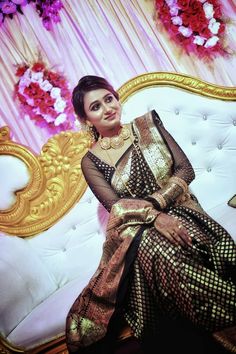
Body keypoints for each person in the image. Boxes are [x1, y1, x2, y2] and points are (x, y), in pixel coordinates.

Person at [66, 75, 236, 354]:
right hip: (137, 229)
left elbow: (185, 170)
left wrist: (158, 205)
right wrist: (156, 217)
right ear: (86, 120)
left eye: (109, 99)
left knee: (178, 244)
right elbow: (116, 207)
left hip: (182, 209)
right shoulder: (90, 161)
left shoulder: (148, 127)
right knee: (158, 250)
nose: (107, 108)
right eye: (95, 107)